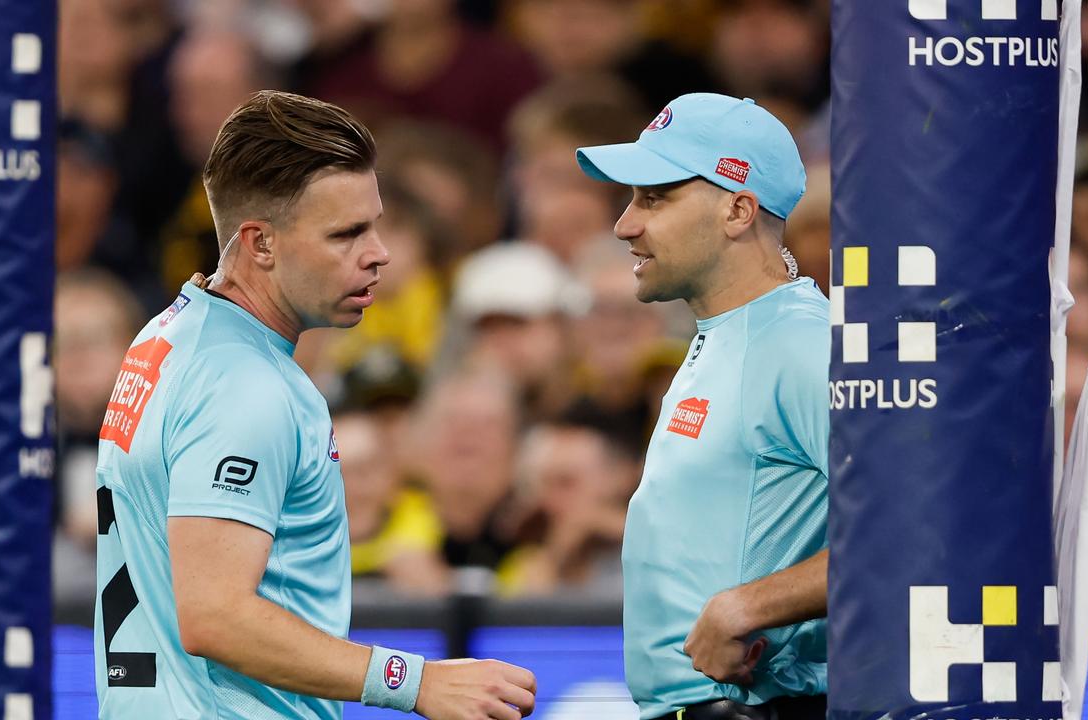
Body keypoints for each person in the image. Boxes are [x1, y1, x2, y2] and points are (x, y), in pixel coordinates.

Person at [94, 90, 536, 720]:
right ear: (261, 244)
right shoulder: (246, 386)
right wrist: (416, 682)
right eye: (347, 233)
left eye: (375, 224)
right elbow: (215, 617)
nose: (378, 251)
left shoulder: (166, 336)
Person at [576, 93, 829, 720]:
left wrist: (751, 605)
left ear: (738, 209)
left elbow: (912, 533)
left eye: (654, 197)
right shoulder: (729, 335)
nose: (624, 224)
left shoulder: (801, 342)